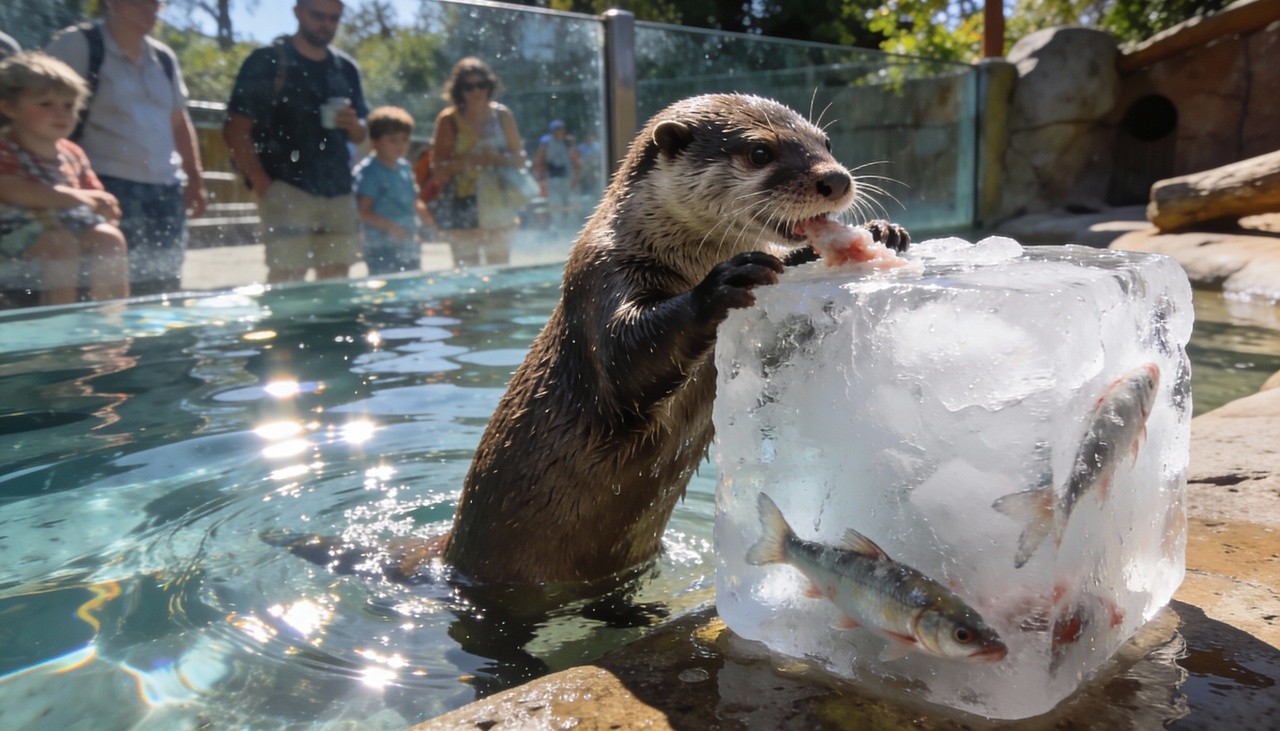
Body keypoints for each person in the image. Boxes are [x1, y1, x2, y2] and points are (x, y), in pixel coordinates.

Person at [45, 0, 207, 296]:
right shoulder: (77, 45)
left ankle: (163, 344)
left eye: (155, 4)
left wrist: (194, 177)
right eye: (139, 3)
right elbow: (37, 107)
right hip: (106, 185)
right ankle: (108, 343)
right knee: (107, 287)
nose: (150, 11)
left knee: (164, 286)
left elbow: (178, 121)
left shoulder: (164, 58)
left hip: (166, 190)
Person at [223, 0, 368, 283]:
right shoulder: (268, 61)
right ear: (298, 12)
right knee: (287, 283)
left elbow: (362, 133)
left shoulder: (345, 67)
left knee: (337, 282)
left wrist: (354, 126)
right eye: (318, 15)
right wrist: (264, 185)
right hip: (288, 190)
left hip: (338, 191)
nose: (326, 24)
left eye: (334, 18)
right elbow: (236, 129)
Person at [0, 51, 128, 305]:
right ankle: (60, 323)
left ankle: (110, 321)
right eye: (46, 104)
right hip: (13, 236)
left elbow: (96, 198)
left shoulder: (72, 153)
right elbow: (11, 189)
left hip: (69, 230)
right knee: (59, 244)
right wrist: (82, 198)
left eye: (69, 105)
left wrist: (105, 209)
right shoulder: (5, 148)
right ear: (9, 107)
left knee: (110, 239)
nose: (61, 113)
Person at [429, 57, 528, 267]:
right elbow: (437, 168)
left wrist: (496, 159)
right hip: (461, 201)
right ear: (459, 90)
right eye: (469, 86)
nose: (476, 91)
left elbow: (520, 160)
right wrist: (468, 161)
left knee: (499, 270)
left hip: (499, 201)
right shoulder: (448, 120)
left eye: (481, 85)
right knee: (467, 274)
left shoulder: (503, 115)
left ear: (489, 86)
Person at [353, 106, 424, 276]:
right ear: (374, 141)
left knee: (412, 287)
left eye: (404, 139)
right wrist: (392, 228)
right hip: (381, 247)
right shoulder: (371, 172)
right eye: (393, 140)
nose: (400, 145)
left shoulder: (405, 168)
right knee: (386, 291)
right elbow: (362, 212)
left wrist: (424, 226)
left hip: (408, 244)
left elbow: (413, 202)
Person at [532, 119, 578, 227]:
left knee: (568, 202)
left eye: (561, 130)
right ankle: (557, 225)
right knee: (554, 202)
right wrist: (539, 176)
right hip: (552, 177)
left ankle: (567, 225)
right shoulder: (546, 143)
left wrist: (575, 178)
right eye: (557, 130)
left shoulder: (568, 143)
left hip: (567, 176)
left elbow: (574, 160)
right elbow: (539, 158)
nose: (560, 132)